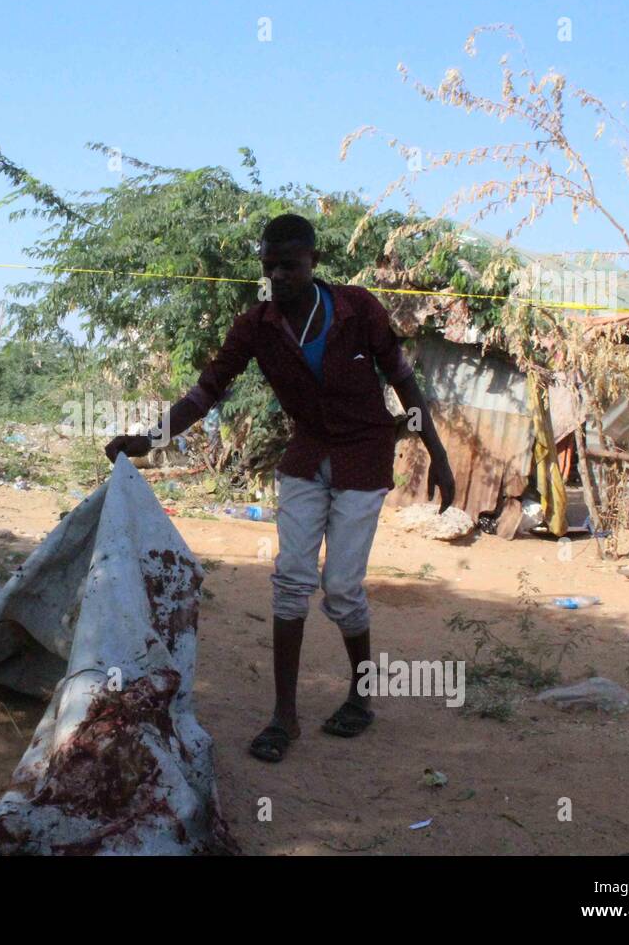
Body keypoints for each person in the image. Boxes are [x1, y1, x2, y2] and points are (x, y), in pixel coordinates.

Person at [104, 214, 455, 764]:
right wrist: (148, 439)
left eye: (288, 265)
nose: (278, 275)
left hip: (363, 458)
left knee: (340, 589)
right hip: (308, 454)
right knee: (290, 580)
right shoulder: (256, 326)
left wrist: (438, 453)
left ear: (313, 261)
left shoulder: (357, 308)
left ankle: (361, 696)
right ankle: (283, 717)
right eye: (269, 265)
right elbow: (206, 392)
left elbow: (403, 380)